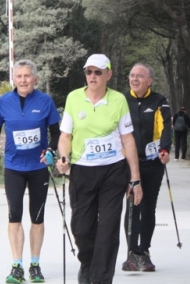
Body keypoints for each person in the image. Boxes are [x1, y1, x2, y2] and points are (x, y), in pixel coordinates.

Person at [56, 54, 142, 284]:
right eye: (89, 72)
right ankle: (87, 262)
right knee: (82, 228)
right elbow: (65, 136)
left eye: (98, 72)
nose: (92, 76)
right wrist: (63, 157)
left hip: (113, 171)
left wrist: (135, 179)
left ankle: (100, 278)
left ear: (108, 75)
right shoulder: (74, 98)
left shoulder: (118, 100)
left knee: (108, 228)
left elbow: (128, 140)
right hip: (82, 171)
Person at [0, 60, 61, 284]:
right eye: (19, 76)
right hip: (13, 168)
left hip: (38, 168)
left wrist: (50, 150)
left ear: (35, 79)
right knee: (15, 216)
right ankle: (17, 266)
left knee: (37, 218)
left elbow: (56, 133)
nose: (23, 80)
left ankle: (35, 265)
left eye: (27, 76)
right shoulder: (4, 102)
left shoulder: (45, 101)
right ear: (14, 78)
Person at [121, 64, 172, 273]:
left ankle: (144, 250)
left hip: (152, 163)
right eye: (132, 75)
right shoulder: (122, 101)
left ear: (149, 80)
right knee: (133, 204)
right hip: (128, 162)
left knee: (148, 206)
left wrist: (165, 149)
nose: (135, 79)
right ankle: (132, 253)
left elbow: (166, 126)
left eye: (139, 76)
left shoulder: (159, 101)